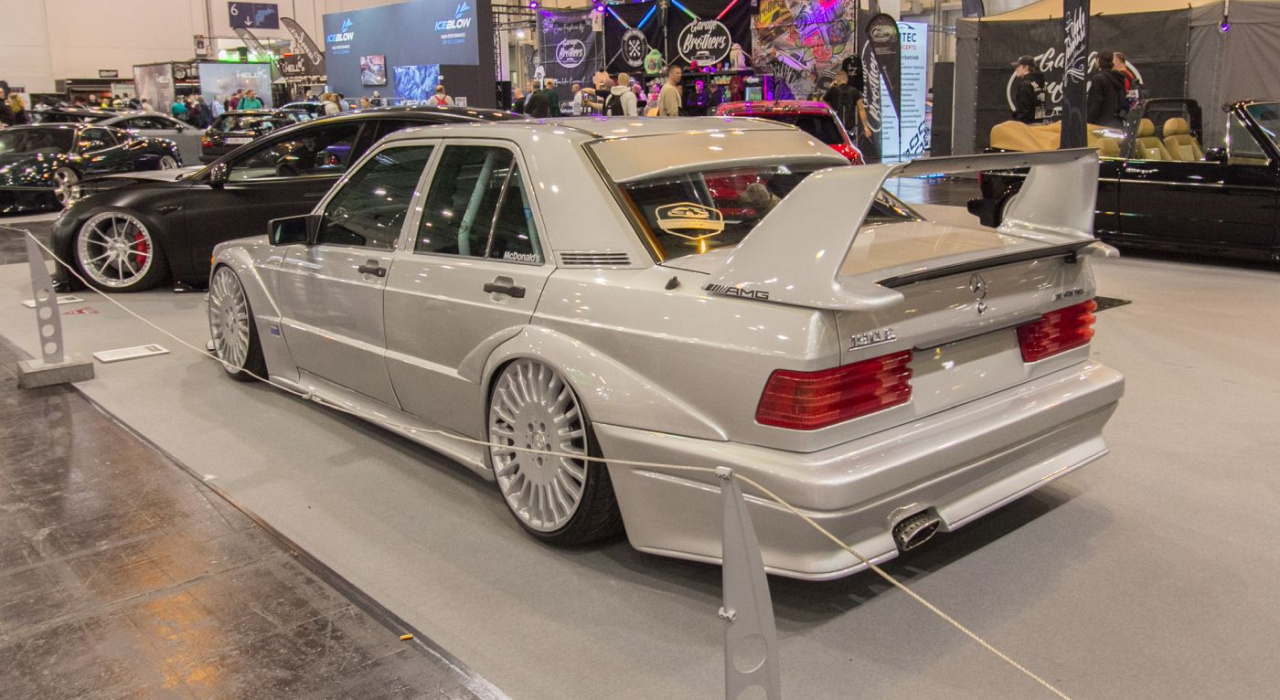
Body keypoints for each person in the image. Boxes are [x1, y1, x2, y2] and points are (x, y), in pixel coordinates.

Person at [823, 69, 871, 141]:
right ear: (847, 79)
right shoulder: (854, 91)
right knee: (850, 143)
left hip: (835, 125)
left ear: (836, 80)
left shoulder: (833, 90)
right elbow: (861, 109)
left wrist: (830, 88)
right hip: (850, 125)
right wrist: (865, 127)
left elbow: (821, 101)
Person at [1086, 51, 1125, 128]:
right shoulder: (1118, 77)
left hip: (1101, 125)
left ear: (1098, 60)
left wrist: (1088, 121)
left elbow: (1094, 103)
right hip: (1117, 122)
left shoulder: (1099, 78)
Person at [1008, 55, 1045, 124]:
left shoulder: (1025, 85)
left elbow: (1024, 110)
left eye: (1018, 66)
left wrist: (1019, 120)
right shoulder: (1039, 83)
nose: (1016, 69)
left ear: (1026, 67)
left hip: (1027, 125)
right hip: (1039, 123)